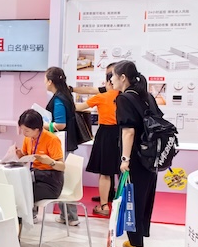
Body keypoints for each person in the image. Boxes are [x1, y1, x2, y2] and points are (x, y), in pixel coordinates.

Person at [111, 60, 158, 247]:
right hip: (150, 159)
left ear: (123, 77)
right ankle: (135, 241)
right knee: (143, 202)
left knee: (131, 204)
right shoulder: (147, 96)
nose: (111, 80)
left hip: (135, 160)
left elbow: (128, 131)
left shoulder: (124, 98)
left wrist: (125, 159)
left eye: (113, 76)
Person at [75, 68, 120, 216]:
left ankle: (104, 206)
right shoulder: (125, 97)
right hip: (123, 134)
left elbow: (78, 107)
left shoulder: (101, 97)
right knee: (123, 172)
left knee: (105, 173)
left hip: (106, 134)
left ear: (109, 82)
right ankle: (123, 205)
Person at [44, 66, 80, 225]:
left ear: (50, 81)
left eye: (45, 79)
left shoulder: (58, 99)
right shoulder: (66, 95)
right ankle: (68, 216)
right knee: (67, 178)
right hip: (68, 143)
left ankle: (70, 216)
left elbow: (60, 124)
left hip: (62, 144)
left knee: (63, 178)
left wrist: (44, 125)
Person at [15, 109, 65, 223]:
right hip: (34, 177)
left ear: (37, 129)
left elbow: (62, 167)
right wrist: (20, 155)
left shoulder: (52, 139)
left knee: (24, 193)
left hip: (51, 181)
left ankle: (22, 221)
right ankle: (21, 221)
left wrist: (50, 162)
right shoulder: (28, 138)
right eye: (22, 129)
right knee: (17, 189)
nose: (24, 133)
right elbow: (27, 158)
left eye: (26, 130)